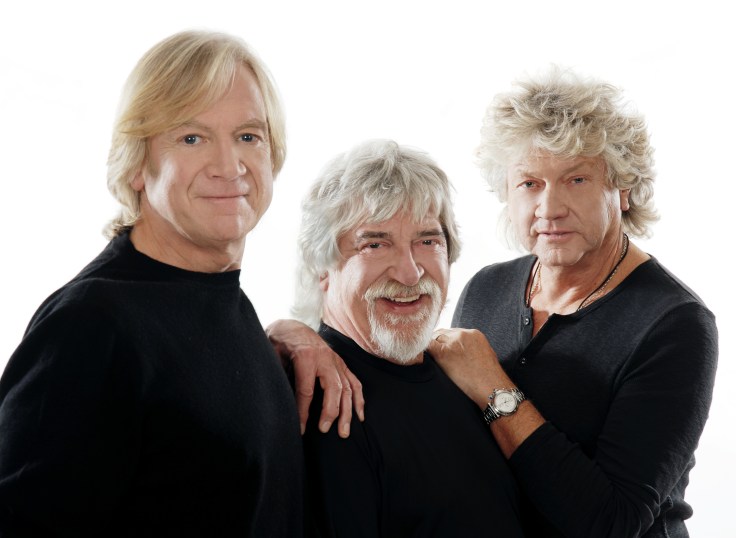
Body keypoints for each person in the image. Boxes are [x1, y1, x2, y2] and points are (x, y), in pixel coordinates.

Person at [269, 68, 719, 537]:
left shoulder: (675, 325)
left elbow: (614, 524)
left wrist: (493, 386)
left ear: (623, 188)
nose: (550, 208)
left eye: (576, 179)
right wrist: (291, 332)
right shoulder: (489, 288)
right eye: (529, 183)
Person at [0, 30, 306, 536]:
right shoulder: (90, 327)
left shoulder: (229, 306)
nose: (229, 166)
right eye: (192, 138)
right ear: (139, 164)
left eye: (248, 136)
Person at [295, 139, 523, 536]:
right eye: (375, 244)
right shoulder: (327, 401)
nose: (410, 272)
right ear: (322, 267)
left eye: (427, 241)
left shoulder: (459, 374)